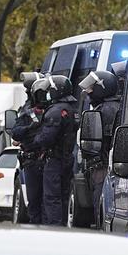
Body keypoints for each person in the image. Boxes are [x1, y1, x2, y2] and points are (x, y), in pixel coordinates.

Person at [31, 75, 77, 226]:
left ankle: (53, 231)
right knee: (63, 197)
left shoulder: (55, 111)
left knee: (51, 198)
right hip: (67, 158)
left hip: (54, 160)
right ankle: (61, 229)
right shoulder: (71, 109)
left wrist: (35, 140)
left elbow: (46, 138)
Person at [79, 69, 121, 229]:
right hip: (105, 166)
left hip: (102, 167)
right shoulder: (111, 107)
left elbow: (101, 139)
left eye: (91, 88)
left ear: (101, 87)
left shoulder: (106, 110)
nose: (88, 92)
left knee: (100, 209)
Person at [11, 76, 49, 224]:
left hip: (47, 159)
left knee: (48, 199)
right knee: (33, 199)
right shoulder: (28, 113)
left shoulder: (52, 112)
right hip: (31, 160)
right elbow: (16, 132)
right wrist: (29, 128)